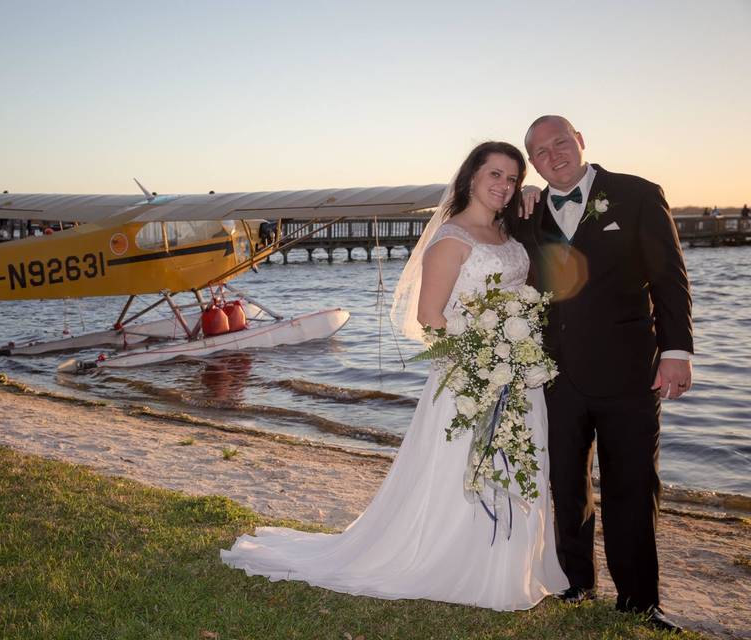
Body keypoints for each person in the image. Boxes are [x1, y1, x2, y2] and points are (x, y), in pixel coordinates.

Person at [221, 142, 568, 611]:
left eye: (512, 178)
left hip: (517, 374)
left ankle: (510, 566)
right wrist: (486, 356)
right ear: (470, 177)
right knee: (458, 472)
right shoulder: (452, 239)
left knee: (516, 464)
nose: (504, 186)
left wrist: (515, 350)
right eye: (495, 175)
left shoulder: (509, 232)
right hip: (472, 376)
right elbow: (430, 316)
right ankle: (457, 564)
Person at [515, 116, 693, 633]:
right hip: (554, 375)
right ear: (533, 164)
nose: (554, 155)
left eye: (561, 143)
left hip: (630, 373)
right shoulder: (527, 212)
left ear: (581, 142)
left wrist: (676, 351)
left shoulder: (638, 194)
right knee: (565, 484)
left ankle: (639, 603)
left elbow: (669, 279)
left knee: (633, 487)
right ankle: (576, 584)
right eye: (541, 152)